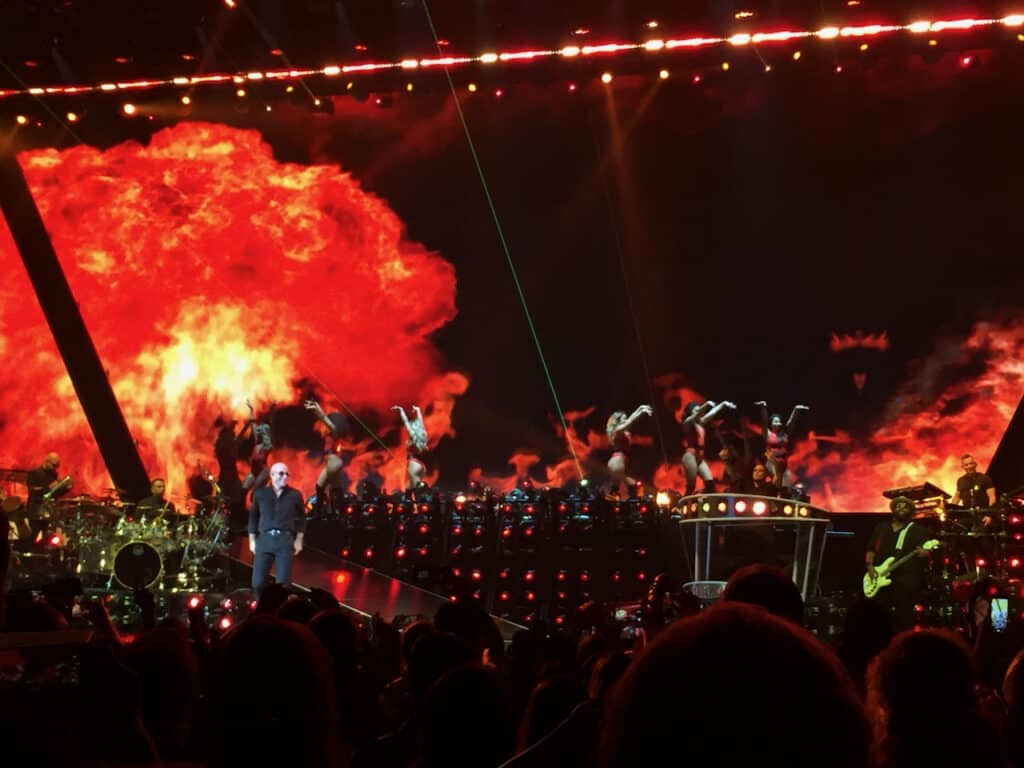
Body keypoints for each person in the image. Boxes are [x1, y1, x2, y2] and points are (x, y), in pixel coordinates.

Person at [865, 496, 933, 632]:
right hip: (879, 577)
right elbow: (871, 548)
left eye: (905, 507)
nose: (902, 509)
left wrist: (925, 553)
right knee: (878, 617)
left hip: (905, 581)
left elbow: (928, 550)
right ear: (893, 510)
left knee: (904, 618)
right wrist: (869, 566)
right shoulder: (882, 527)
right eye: (898, 506)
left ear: (911, 511)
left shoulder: (918, 530)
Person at [248, 461, 306, 599]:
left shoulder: (294, 495)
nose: (284, 476)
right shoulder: (261, 494)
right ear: (272, 475)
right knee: (257, 583)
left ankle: (280, 613)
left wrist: (299, 540)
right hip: (265, 540)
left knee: (284, 585)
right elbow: (253, 517)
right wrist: (252, 540)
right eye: (281, 473)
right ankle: (260, 609)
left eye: (287, 474)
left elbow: (302, 518)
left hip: (284, 540)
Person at [680, 400, 735, 495]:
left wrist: (722, 404)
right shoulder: (687, 423)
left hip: (700, 458)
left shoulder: (700, 423)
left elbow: (711, 414)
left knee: (710, 484)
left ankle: (699, 497)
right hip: (690, 456)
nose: (699, 411)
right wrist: (705, 405)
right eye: (696, 409)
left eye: (699, 409)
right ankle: (680, 507)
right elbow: (696, 415)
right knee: (691, 486)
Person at [304, 398, 349, 510]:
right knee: (329, 487)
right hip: (333, 462)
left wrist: (317, 408)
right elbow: (323, 420)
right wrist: (314, 408)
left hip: (333, 462)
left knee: (325, 487)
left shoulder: (335, 433)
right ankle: (335, 511)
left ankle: (322, 511)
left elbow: (324, 419)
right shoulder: (331, 433)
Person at [755, 401, 809, 490]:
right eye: (776, 421)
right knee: (776, 481)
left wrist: (795, 409)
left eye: (779, 421)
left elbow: (791, 422)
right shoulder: (767, 434)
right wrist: (763, 408)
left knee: (786, 486)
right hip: (771, 463)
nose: (778, 422)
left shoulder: (784, 434)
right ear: (771, 423)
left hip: (783, 464)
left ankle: (782, 497)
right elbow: (764, 421)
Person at [605, 404, 653, 498]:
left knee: (620, 488)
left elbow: (630, 419)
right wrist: (641, 411)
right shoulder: (618, 431)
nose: (626, 420)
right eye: (624, 418)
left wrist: (640, 408)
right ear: (618, 421)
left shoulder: (621, 431)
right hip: (617, 461)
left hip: (619, 461)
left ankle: (614, 505)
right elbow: (630, 421)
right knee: (629, 487)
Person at [950, 453, 996, 527]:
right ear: (963, 467)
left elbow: (992, 497)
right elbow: (957, 497)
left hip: (983, 514)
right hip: (967, 515)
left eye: (971, 464)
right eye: (966, 465)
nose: (969, 466)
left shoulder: (985, 478)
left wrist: (989, 514)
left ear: (975, 464)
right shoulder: (960, 480)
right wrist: (951, 512)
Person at [393, 404, 429, 490]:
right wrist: (416, 410)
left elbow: (411, 420)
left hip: (416, 459)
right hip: (418, 460)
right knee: (415, 479)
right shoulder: (419, 432)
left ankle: (413, 491)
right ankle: (414, 490)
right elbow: (414, 420)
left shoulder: (416, 432)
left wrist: (402, 410)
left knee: (413, 482)